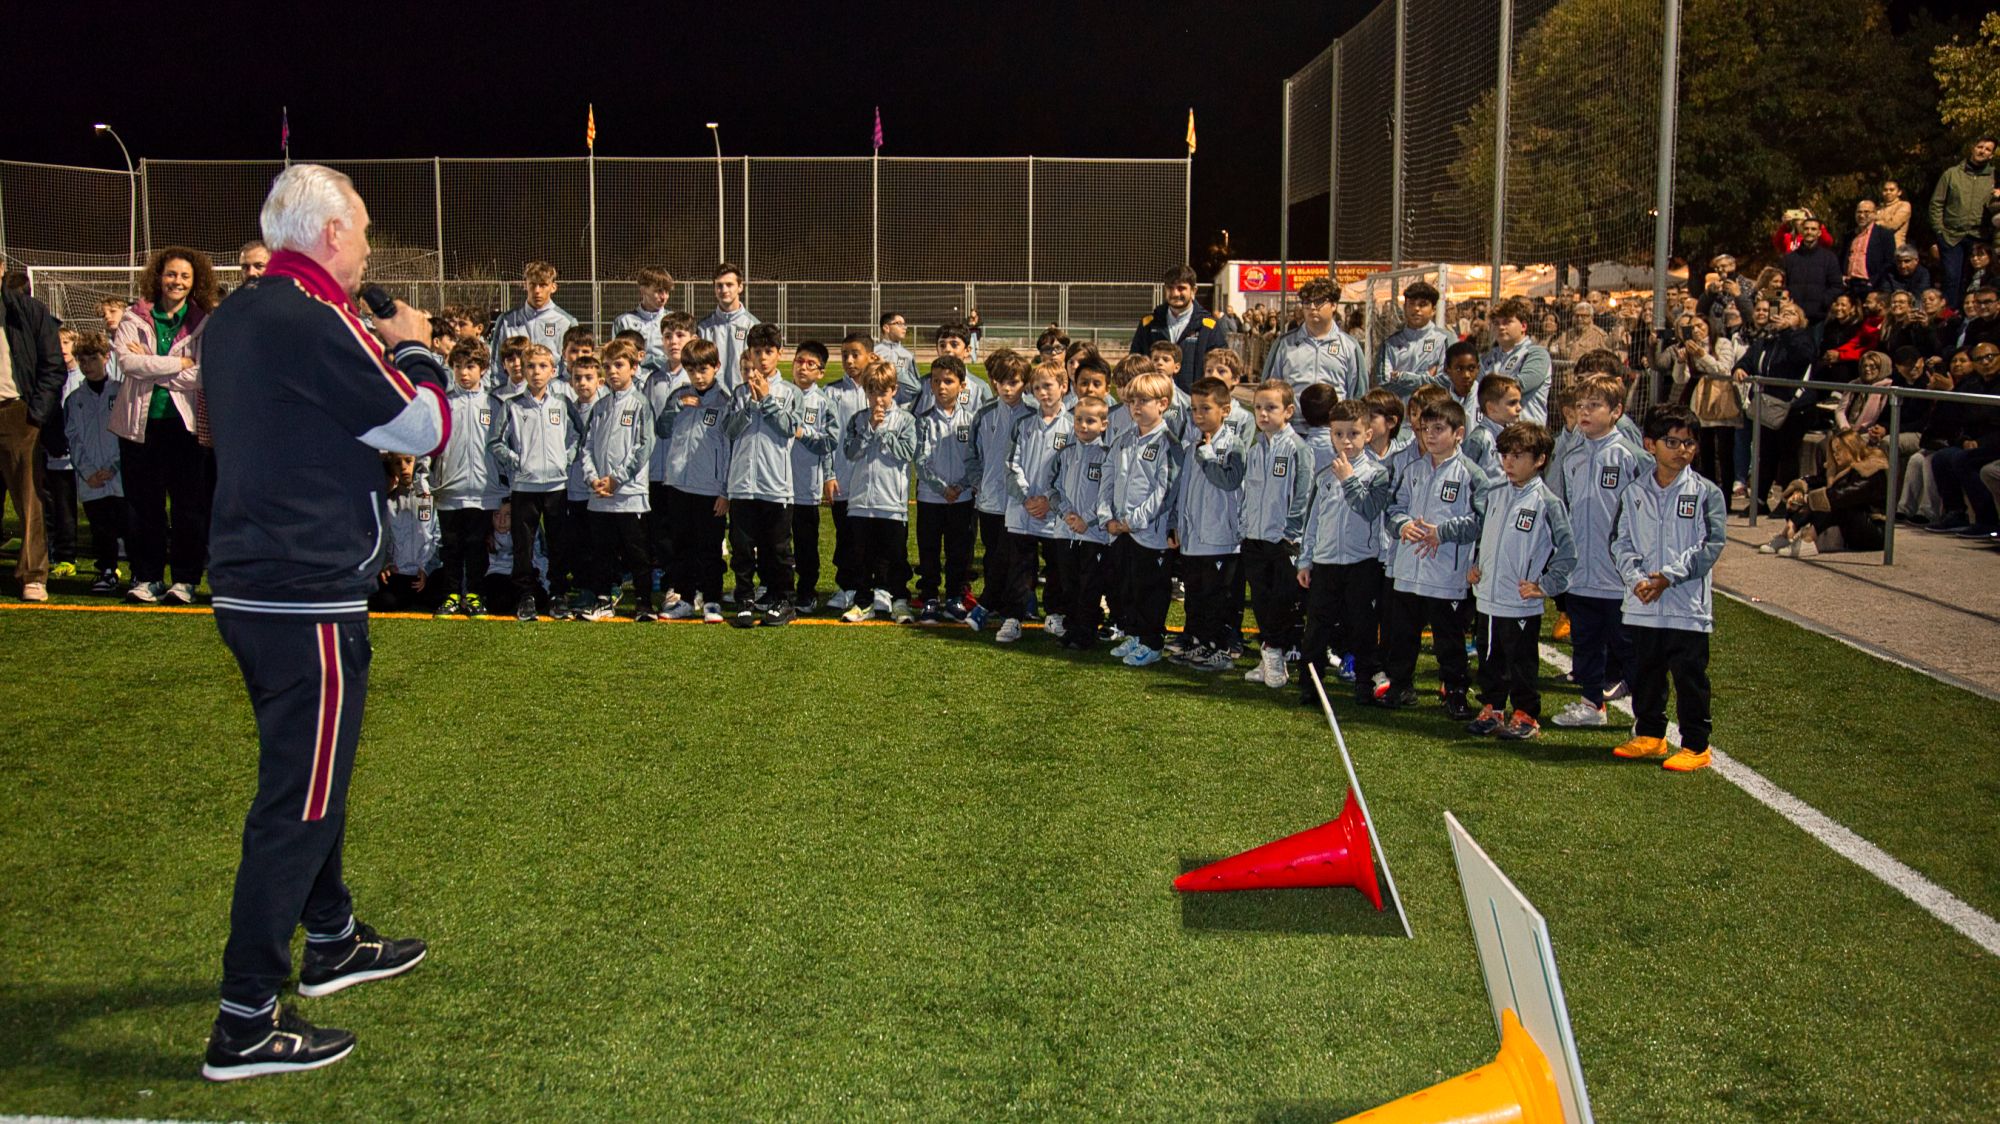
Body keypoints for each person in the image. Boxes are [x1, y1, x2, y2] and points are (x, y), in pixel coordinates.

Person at [198, 162, 447, 1079]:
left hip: (254, 583)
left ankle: (332, 935)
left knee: (313, 772)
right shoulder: (314, 318)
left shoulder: (235, 315)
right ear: (333, 234)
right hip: (303, 592)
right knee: (297, 802)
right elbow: (421, 429)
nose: (371, 248)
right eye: (368, 231)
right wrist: (418, 349)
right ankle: (245, 1021)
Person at [1610, 405, 1727, 773]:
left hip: (1686, 606)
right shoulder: (1634, 492)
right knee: (1646, 671)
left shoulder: (1706, 493)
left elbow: (1711, 545)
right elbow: (1619, 541)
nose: (1681, 449)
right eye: (1671, 441)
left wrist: (1668, 577)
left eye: (1688, 442)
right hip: (1643, 602)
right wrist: (1639, 580)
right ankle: (1649, 733)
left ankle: (1696, 744)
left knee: (1690, 676)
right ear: (1649, 444)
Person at [113, 246, 217, 605]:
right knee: (145, 507)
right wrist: (176, 364)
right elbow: (129, 364)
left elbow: (203, 375)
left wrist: (153, 366)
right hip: (138, 428)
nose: (177, 281)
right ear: (158, 276)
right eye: (171, 274)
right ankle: (147, 577)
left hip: (184, 429)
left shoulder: (203, 321)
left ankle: (185, 580)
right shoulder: (134, 316)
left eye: (185, 276)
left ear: (194, 281)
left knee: (189, 507)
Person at [1548, 373, 1650, 728]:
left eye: (1594, 405)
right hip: (1581, 574)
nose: (1585, 412)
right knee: (1586, 643)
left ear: (1617, 411)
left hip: (1619, 576)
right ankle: (1592, 704)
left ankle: (1647, 714)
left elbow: (1650, 511)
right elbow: (1564, 507)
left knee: (1629, 646)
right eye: (1580, 406)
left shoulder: (1631, 457)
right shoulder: (1572, 456)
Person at [1465, 421, 1575, 741]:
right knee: (1489, 658)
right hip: (1487, 596)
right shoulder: (1495, 493)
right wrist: (1476, 565)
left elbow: (1567, 552)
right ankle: (1493, 708)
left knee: (1521, 663)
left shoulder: (1547, 503)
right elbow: (1484, 537)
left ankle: (1526, 714)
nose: (1508, 463)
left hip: (1519, 602)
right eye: (1504, 455)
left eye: (1517, 456)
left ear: (1540, 459)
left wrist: (1545, 585)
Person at [1381, 399, 1487, 719]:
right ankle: (1400, 685)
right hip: (1407, 570)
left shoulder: (1472, 474)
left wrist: (1443, 532)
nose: (1430, 435)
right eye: (1425, 428)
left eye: (1438, 429)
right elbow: (1393, 510)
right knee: (1401, 635)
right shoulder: (1412, 470)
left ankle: (1454, 691)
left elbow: (1481, 520)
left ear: (1459, 434)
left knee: (1448, 640)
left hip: (1446, 576)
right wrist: (1404, 525)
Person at [1295, 398, 1393, 706]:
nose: (1345, 441)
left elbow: (1368, 510)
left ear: (1368, 434)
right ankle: (1312, 685)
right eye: (1338, 434)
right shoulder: (1325, 475)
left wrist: (1349, 479)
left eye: (1353, 433)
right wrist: (1306, 559)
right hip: (1326, 563)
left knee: (1362, 626)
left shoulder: (1377, 474)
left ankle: (1366, 684)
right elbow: (1313, 522)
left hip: (1361, 563)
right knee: (1316, 628)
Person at [488, 342, 581, 620]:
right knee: (523, 544)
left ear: (553, 371)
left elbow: (577, 435)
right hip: (524, 487)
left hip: (556, 486)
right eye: (531, 366)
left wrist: (565, 459)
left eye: (542, 366)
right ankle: (526, 595)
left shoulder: (562, 404)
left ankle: (558, 594)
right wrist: (517, 462)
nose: (536, 372)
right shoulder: (512, 406)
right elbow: (495, 443)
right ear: (523, 371)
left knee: (557, 542)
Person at [1098, 371, 1183, 667]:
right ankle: (1134, 632)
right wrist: (1107, 516)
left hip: (1150, 534)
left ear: (1162, 404)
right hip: (1120, 531)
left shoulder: (1168, 443)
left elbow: (1165, 492)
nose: (1136, 406)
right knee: (1127, 585)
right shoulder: (1124, 439)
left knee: (1151, 590)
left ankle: (1152, 640)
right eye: (1132, 400)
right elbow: (1107, 479)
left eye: (1143, 400)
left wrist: (1132, 521)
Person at [722, 324, 801, 623]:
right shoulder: (740, 393)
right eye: (757, 352)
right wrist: (750, 405)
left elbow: (788, 429)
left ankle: (784, 600)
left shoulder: (789, 392)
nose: (763, 358)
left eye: (769, 352)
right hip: (742, 485)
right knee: (742, 548)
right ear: (750, 355)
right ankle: (744, 599)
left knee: (778, 549)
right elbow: (728, 430)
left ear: (780, 354)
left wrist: (766, 400)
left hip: (776, 485)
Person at [576, 339, 658, 621]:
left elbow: (644, 446)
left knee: (637, 554)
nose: (612, 372)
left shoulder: (640, 404)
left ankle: (644, 603)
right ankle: (603, 600)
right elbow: (585, 447)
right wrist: (593, 479)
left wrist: (617, 479)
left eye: (619, 365)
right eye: (608, 366)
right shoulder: (600, 407)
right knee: (602, 553)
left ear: (634, 368)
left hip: (629, 495)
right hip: (599, 496)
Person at [1237, 380, 1311, 689]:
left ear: (1288, 411)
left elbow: (1304, 493)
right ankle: (1268, 654)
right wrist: (1245, 527)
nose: (1263, 414)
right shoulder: (1255, 449)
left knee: (1282, 601)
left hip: (1283, 541)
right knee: (1263, 601)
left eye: (1271, 407)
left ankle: (1276, 654)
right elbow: (1248, 493)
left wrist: (1291, 533)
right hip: (1255, 538)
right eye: (1258, 408)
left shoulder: (1297, 448)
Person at [1170, 377, 1247, 670]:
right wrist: (1176, 522)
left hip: (1219, 538)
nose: (1198, 415)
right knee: (1196, 598)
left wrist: (1207, 454)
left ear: (1225, 410)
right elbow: (1184, 490)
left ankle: (1219, 650)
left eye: (1205, 408)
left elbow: (1228, 481)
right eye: (1194, 410)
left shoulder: (1233, 445)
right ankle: (1199, 643)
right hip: (1193, 538)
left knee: (1217, 598)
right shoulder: (1192, 447)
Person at [657, 338, 731, 620]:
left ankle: (712, 599)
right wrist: (675, 408)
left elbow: (728, 449)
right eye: (692, 371)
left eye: (704, 369)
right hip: (677, 484)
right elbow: (662, 430)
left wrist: (725, 491)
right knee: (681, 546)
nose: (698, 377)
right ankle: (686, 598)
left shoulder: (724, 402)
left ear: (716, 367)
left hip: (709, 488)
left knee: (710, 547)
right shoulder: (679, 395)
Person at [839, 358, 916, 621]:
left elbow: (906, 453)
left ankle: (899, 601)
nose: (878, 399)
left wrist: (883, 431)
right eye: (872, 392)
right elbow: (850, 452)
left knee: (895, 557)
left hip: (891, 503)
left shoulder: (905, 420)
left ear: (893, 390)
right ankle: (863, 601)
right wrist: (870, 428)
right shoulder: (859, 419)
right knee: (861, 557)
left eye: (883, 392)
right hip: (861, 501)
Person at [1002, 362, 1073, 642]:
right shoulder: (1024, 424)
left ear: (1063, 387)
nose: (1042, 393)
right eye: (1037, 388)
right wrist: (1026, 497)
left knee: (1057, 568)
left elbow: (1071, 471)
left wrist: (1049, 500)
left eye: (1048, 386)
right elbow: (1011, 463)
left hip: (1055, 513)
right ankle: (1013, 617)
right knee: (1019, 567)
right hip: (1023, 510)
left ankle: (1054, 614)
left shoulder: (1073, 425)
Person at [430, 340, 497, 619]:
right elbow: (431, 444)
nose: (464, 373)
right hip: (449, 488)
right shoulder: (444, 403)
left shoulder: (494, 403)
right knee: (451, 545)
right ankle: (451, 595)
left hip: (483, 490)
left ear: (482, 369)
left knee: (476, 543)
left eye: (470, 366)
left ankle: (475, 594)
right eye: (458, 367)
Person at [967, 349, 1032, 633]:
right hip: (991, 500)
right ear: (993, 382)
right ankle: (1000, 602)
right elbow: (972, 455)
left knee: (1020, 556)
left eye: (1014, 382)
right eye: (1002, 382)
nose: (1007, 388)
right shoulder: (983, 414)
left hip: (1020, 501)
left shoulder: (1033, 415)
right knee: (994, 554)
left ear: (1024, 383)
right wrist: (978, 482)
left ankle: (1018, 604)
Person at [912, 356, 978, 618]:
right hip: (931, 498)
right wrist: (942, 488)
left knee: (958, 552)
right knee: (929, 550)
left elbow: (975, 459)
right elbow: (921, 460)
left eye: (948, 381)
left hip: (962, 500)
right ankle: (929, 596)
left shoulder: (972, 421)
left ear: (962, 386)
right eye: (936, 381)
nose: (941, 387)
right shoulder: (924, 420)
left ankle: (953, 596)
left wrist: (961, 486)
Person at [1048, 393, 1114, 651]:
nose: (1083, 426)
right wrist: (1067, 515)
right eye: (1078, 420)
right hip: (1066, 531)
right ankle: (1073, 627)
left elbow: (1108, 494)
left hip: (1093, 534)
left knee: (1090, 585)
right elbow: (1053, 488)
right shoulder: (1064, 453)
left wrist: (1087, 519)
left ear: (1103, 425)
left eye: (1090, 421)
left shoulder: (1108, 455)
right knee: (1069, 584)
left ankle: (1087, 630)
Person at [1759, 427, 1888, 557]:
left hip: (1875, 532)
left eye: (1839, 450)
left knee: (1832, 499)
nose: (1835, 454)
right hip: (1852, 530)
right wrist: (1799, 488)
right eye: (1833, 450)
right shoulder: (1841, 470)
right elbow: (1817, 481)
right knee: (1814, 494)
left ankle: (1808, 539)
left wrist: (1809, 500)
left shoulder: (1871, 471)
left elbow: (1844, 495)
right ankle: (1787, 533)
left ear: (1852, 447)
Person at [65, 331, 127, 594]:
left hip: (119, 476)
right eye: (83, 359)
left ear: (106, 357)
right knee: (100, 527)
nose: (88, 364)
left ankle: (139, 573)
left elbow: (128, 433)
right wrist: (89, 471)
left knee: (128, 524)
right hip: (91, 479)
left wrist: (113, 467)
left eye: (93, 358)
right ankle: (106, 570)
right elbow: (73, 438)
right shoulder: (74, 400)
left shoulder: (121, 391)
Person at [820, 333, 873, 614]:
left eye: (856, 354)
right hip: (842, 476)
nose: (850, 361)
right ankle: (846, 587)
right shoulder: (831, 393)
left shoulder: (886, 389)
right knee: (845, 537)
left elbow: (915, 386)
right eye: (845, 355)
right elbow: (828, 439)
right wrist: (828, 474)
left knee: (873, 539)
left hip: (875, 482)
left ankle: (876, 588)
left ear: (870, 356)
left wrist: (881, 368)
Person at [786, 340, 838, 613]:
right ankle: (776, 588)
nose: (803, 368)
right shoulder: (778, 393)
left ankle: (806, 590)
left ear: (821, 372)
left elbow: (830, 442)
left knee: (806, 541)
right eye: (799, 361)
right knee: (777, 542)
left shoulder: (824, 403)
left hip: (807, 484)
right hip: (776, 483)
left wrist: (804, 434)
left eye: (810, 364)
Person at [1260, 277, 1366, 405]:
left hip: (1334, 424)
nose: (1312, 307)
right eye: (1307, 302)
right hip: (1294, 423)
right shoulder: (1284, 343)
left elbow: (1359, 395)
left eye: (1319, 302)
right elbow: (1267, 389)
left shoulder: (1350, 346)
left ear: (1334, 305)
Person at [1130, 264, 1231, 393]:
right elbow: (1135, 364)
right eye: (1170, 288)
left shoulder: (1208, 326)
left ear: (1194, 290)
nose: (1175, 293)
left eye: (1181, 288)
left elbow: (1220, 367)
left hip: (1193, 404)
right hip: (1154, 402)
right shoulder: (1148, 324)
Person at [1930, 137, 1996, 310]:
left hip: (1979, 236)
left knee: (1977, 278)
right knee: (1952, 278)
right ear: (1973, 148)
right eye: (1980, 146)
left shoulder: (1994, 176)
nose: (1983, 151)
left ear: (1991, 155)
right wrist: (1939, 231)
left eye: (1988, 149)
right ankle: (1950, 315)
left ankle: (1974, 316)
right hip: (1952, 236)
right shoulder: (1952, 174)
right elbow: (1937, 203)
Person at [372, 453, 437, 611]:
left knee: (436, 600)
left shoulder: (430, 499)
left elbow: (438, 538)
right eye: (397, 463)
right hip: (399, 572)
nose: (403, 467)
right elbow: (382, 540)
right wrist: (386, 563)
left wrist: (426, 568)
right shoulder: (387, 503)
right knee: (386, 602)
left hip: (426, 572)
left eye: (408, 461)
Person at [1374, 280, 1456, 404]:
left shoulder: (1446, 339)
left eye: (1423, 304)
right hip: (1400, 418)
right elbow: (1384, 384)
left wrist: (1403, 377)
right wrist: (1427, 377)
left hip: (1434, 416)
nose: (1416, 309)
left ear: (1433, 309)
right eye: (1412, 303)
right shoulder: (1390, 344)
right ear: (1405, 307)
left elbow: (1445, 381)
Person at [488, 261, 578, 370]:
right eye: (532, 284)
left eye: (543, 285)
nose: (537, 291)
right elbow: (496, 365)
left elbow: (572, 366)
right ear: (525, 285)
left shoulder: (567, 322)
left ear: (553, 287)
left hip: (553, 385)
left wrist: (557, 386)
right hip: (515, 386)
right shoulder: (506, 320)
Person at [1479, 298, 1552, 424]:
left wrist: (1485, 389)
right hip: (1494, 432)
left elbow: (1519, 386)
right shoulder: (1487, 357)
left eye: (1507, 322)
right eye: (1496, 323)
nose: (1501, 327)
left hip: (1526, 433)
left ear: (1523, 326)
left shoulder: (1536, 354)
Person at [697, 263, 760, 393]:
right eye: (719, 285)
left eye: (729, 285)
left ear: (740, 287)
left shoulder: (753, 326)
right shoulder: (704, 327)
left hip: (743, 398)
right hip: (712, 399)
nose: (724, 290)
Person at [1781, 218, 1844, 329]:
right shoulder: (1790, 258)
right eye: (1806, 229)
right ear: (1801, 231)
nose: (1809, 232)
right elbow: (1782, 285)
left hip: (1818, 317)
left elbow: (1837, 286)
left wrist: (1823, 302)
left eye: (1813, 229)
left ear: (1819, 233)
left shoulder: (1829, 258)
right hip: (1793, 316)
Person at [611, 267, 675, 361]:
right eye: (659, 291)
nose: (664, 297)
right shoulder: (624, 321)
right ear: (643, 289)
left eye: (667, 292)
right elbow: (615, 356)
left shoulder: (674, 320)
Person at [1843, 200, 1896, 296]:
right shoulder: (1849, 236)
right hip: (1850, 285)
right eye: (1859, 212)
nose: (1862, 216)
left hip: (1872, 286)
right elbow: (1843, 258)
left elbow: (1890, 262)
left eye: (1866, 212)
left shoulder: (1884, 235)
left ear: (1875, 214)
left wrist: (1873, 281)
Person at [873, 311, 920, 406]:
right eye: (899, 324)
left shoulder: (908, 355)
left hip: (901, 409)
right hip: (876, 405)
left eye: (904, 324)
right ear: (886, 328)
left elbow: (916, 386)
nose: (904, 327)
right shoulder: (873, 352)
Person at [1879, 180, 1913, 247]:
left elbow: (1892, 225)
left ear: (1899, 192)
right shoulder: (1879, 208)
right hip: (1878, 247)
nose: (1888, 192)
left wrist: (1874, 222)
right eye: (1885, 190)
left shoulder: (1904, 205)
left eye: (1892, 190)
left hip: (1895, 247)